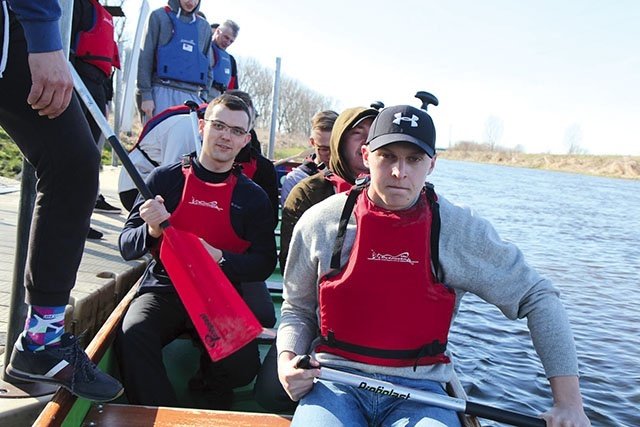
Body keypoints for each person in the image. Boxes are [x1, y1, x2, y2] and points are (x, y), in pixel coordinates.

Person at [276, 105, 591, 426]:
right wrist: (287, 360)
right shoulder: (321, 222)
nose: (400, 172)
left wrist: (568, 402)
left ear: (432, 164)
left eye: (414, 159)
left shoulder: (459, 230)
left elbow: (538, 298)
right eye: (387, 156)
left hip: (421, 391)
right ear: (367, 155)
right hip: (334, 382)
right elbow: (297, 310)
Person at [116, 94, 277, 409]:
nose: (225, 136)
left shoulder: (253, 198)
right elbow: (125, 246)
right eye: (218, 126)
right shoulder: (164, 179)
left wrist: (220, 258)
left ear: (245, 140)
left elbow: (264, 263)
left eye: (235, 131)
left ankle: (208, 383)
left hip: (219, 292)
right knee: (133, 332)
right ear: (202, 127)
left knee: (242, 367)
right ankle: (160, 410)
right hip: (165, 289)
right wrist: (150, 230)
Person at [1, 0, 123, 402]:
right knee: (72, 163)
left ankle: (41, 338)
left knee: (74, 162)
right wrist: (44, 36)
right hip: (23, 21)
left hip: (14, 23)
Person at [278, 106, 378, 274]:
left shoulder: (396, 193)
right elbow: (291, 268)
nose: (367, 141)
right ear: (340, 141)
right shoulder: (306, 194)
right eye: (357, 133)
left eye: (374, 133)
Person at [70, 0, 122, 240]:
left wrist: (107, 100)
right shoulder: (77, 5)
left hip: (98, 88)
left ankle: (81, 219)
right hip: (78, 81)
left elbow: (109, 64)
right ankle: (70, 219)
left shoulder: (105, 14)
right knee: (74, 157)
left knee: (90, 156)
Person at [136, 0, 212, 124]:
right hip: (161, 90)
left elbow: (207, 67)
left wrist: (203, 98)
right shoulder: (159, 16)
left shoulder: (204, 27)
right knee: (156, 142)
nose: (191, 2)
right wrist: (145, 94)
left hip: (192, 96)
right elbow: (146, 58)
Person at [280, 110, 339, 204]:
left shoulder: (354, 176)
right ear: (312, 142)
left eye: (336, 149)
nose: (331, 156)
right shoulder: (295, 180)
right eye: (324, 149)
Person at [208, 19, 239, 99]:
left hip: (219, 99)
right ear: (218, 31)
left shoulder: (230, 60)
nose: (227, 43)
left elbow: (233, 88)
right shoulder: (204, 49)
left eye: (231, 41)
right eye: (226, 37)